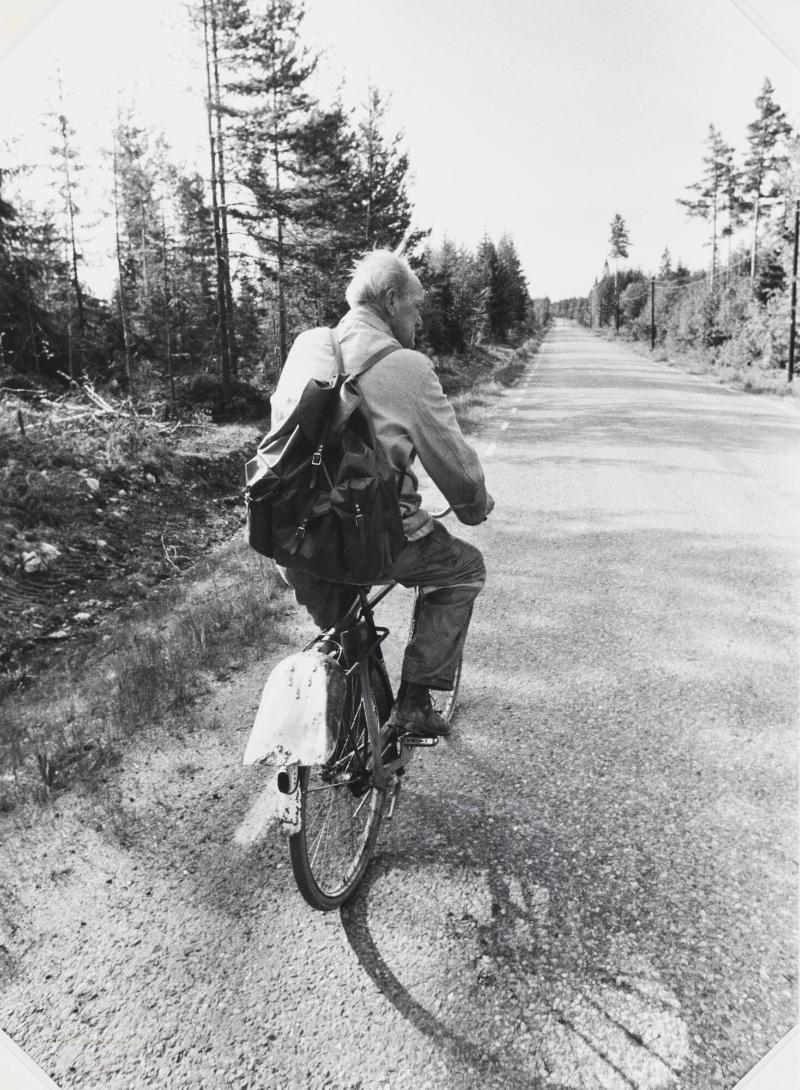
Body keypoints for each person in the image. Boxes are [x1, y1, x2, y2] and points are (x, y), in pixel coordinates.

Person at [270, 250, 494, 738]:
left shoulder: (308, 344)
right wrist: (474, 507)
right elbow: (459, 472)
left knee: (353, 632)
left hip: (291, 538)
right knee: (464, 569)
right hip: (368, 540)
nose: (418, 322)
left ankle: (361, 740)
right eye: (415, 309)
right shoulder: (408, 366)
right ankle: (414, 703)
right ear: (391, 300)